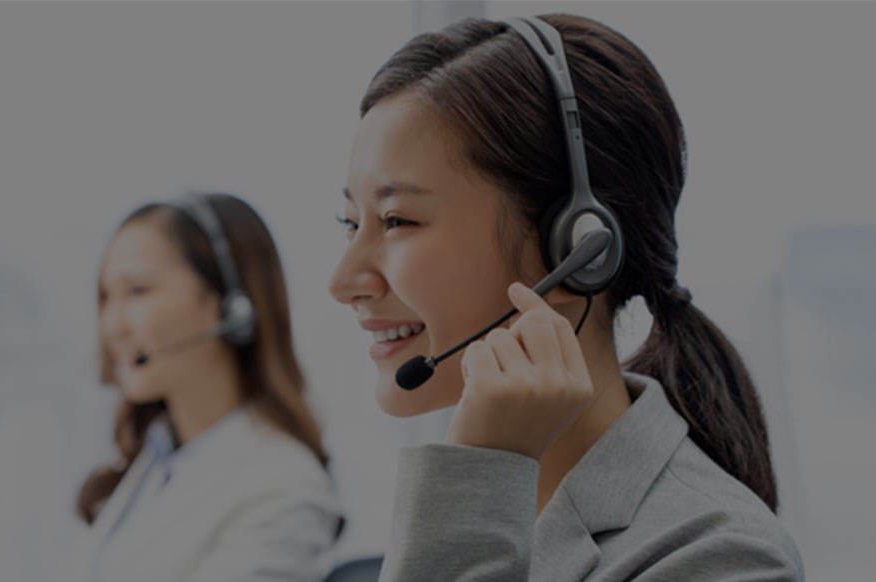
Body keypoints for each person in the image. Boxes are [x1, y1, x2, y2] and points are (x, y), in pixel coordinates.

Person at [330, 14, 802, 580]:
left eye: (396, 220)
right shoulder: (475, 505)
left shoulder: (722, 556)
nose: (342, 281)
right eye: (350, 223)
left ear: (576, 246)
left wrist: (477, 476)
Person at [69, 191, 341, 582]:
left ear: (230, 305)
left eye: (138, 291)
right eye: (106, 297)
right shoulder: (154, 456)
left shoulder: (283, 491)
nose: (113, 325)